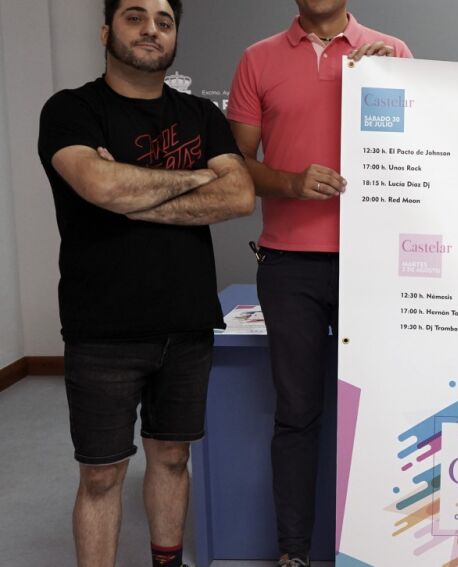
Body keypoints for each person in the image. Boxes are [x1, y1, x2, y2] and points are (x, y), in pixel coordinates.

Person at [36, 0, 255, 565]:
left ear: (175, 35)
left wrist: (128, 192)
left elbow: (238, 196)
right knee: (102, 475)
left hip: (186, 321)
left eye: (164, 20)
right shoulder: (71, 109)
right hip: (102, 326)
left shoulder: (201, 116)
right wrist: (196, 177)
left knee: (173, 458)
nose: (151, 29)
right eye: (134, 17)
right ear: (106, 31)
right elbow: (99, 185)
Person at [226, 1, 411, 565]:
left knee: (382, 409)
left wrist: (390, 82)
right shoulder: (257, 59)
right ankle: (293, 553)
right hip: (289, 266)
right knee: (297, 413)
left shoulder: (391, 52)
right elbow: (235, 165)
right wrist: (290, 182)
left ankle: (383, 549)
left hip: (374, 263)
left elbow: (421, 153)